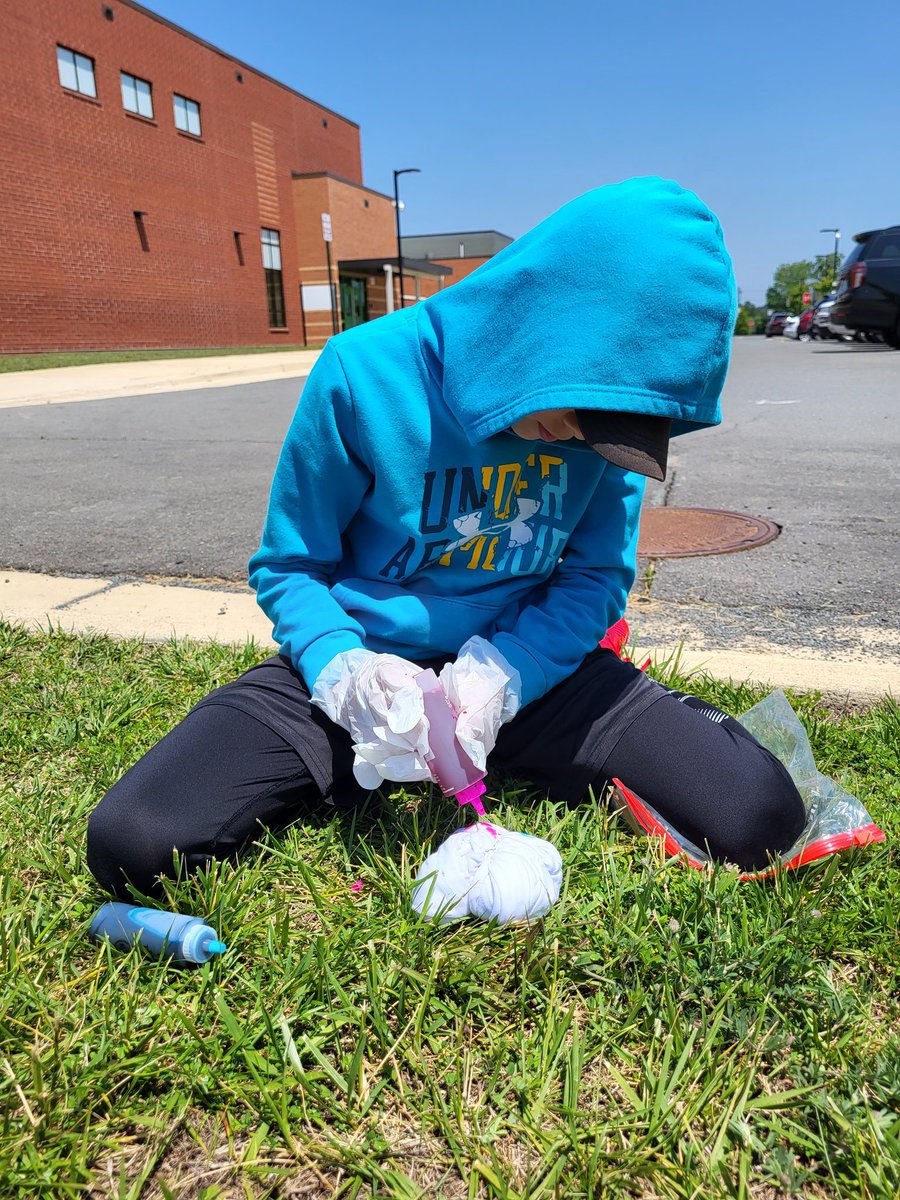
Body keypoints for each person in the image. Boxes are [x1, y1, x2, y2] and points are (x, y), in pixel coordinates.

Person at [87, 176, 805, 900]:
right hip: (366, 671)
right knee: (134, 842)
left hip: (525, 675)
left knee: (758, 814)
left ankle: (488, 744)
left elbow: (593, 579)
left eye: (616, 428)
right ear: (546, 321)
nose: (581, 439)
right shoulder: (363, 371)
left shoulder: (603, 426)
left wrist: (506, 672)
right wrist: (344, 676)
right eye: (583, 409)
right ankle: (361, 749)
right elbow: (290, 566)